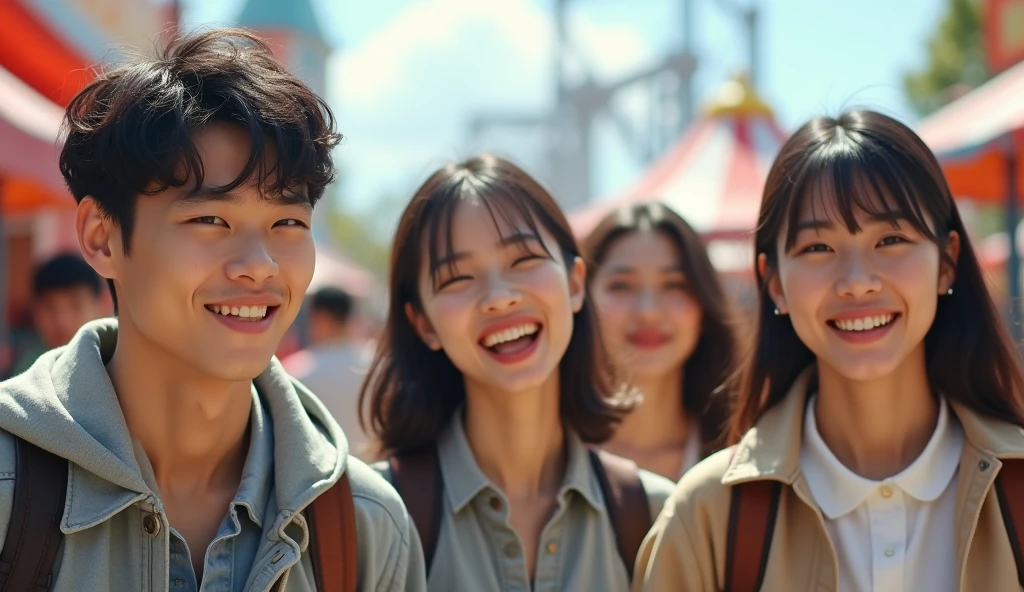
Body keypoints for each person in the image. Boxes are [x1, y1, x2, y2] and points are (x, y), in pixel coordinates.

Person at [0, 28, 425, 592]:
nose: (260, 265)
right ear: (102, 238)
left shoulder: (365, 527)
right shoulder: (11, 494)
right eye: (210, 221)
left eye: (288, 223)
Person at [634, 110, 1024, 591]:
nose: (857, 283)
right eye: (818, 248)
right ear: (774, 282)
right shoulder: (707, 516)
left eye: (891, 239)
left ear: (947, 263)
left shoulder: (1017, 494)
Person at [360, 154, 675, 591]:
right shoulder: (373, 518)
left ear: (576, 283)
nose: (499, 297)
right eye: (456, 278)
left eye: (523, 259)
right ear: (424, 323)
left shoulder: (658, 516)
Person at [584, 203, 736, 480]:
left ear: (704, 303)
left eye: (674, 285)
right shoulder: (550, 459)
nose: (648, 312)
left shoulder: (744, 456)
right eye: (621, 285)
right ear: (581, 299)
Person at [284, 286, 373, 457]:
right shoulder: (379, 366)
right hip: (379, 475)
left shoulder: (296, 372)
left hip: (324, 477)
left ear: (320, 318)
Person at [10, 253, 109, 376]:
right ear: (35, 311)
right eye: (50, 308)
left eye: (76, 305)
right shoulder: (28, 371)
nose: (62, 321)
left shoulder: (119, 364)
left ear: (101, 305)